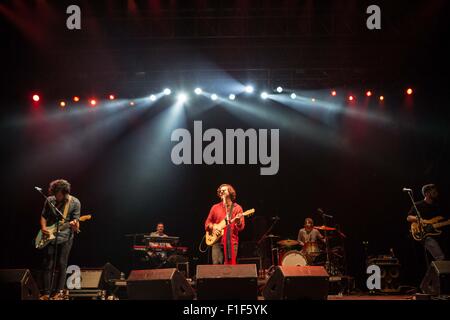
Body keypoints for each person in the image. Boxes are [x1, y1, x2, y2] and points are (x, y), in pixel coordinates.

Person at [40, 179, 80, 300]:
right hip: (50, 237)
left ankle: (59, 292)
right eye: (53, 193)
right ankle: (46, 293)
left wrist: (75, 225)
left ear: (64, 192)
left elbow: (76, 222)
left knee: (62, 263)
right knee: (48, 264)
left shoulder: (75, 203)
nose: (55, 196)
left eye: (57, 193)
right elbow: (43, 216)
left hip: (66, 237)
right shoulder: (50, 200)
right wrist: (43, 228)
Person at [204, 184, 245, 265]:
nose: (221, 191)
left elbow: (241, 227)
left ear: (230, 192)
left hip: (232, 241)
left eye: (224, 190)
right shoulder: (215, 207)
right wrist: (214, 227)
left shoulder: (237, 208)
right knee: (216, 264)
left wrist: (238, 222)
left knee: (229, 267)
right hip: (217, 241)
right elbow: (207, 224)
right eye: (220, 191)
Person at [407, 184, 445, 261]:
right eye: (433, 191)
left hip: (436, 233)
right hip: (424, 234)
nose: (436, 193)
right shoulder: (418, 205)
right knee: (440, 256)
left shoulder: (437, 206)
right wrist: (420, 219)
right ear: (427, 193)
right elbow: (408, 217)